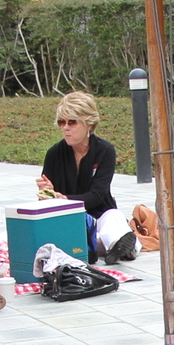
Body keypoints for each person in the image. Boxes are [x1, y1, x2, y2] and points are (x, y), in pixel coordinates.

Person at [39, 90, 134, 263]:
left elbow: (97, 195)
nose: (65, 127)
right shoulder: (54, 153)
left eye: (72, 122)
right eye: (61, 122)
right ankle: (109, 247)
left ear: (89, 124)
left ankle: (114, 245)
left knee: (114, 216)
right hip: (70, 220)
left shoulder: (105, 151)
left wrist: (65, 199)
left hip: (99, 216)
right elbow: (46, 201)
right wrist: (48, 194)